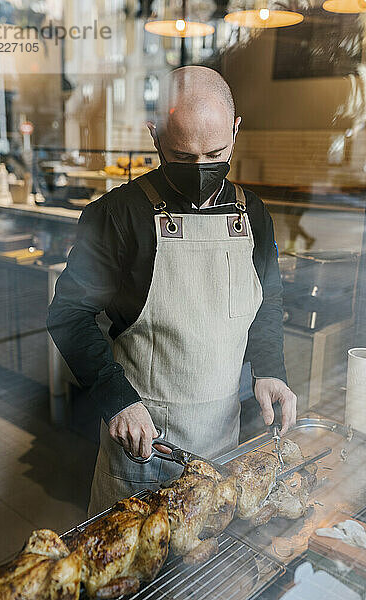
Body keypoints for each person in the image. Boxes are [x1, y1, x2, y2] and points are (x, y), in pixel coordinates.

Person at [47, 66, 297, 516]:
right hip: (145, 450)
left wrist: (271, 369)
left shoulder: (252, 213)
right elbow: (68, 314)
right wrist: (116, 398)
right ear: (154, 135)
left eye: (216, 153)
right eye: (183, 158)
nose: (201, 170)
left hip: (223, 444)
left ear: (236, 131)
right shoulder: (116, 216)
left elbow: (267, 301)